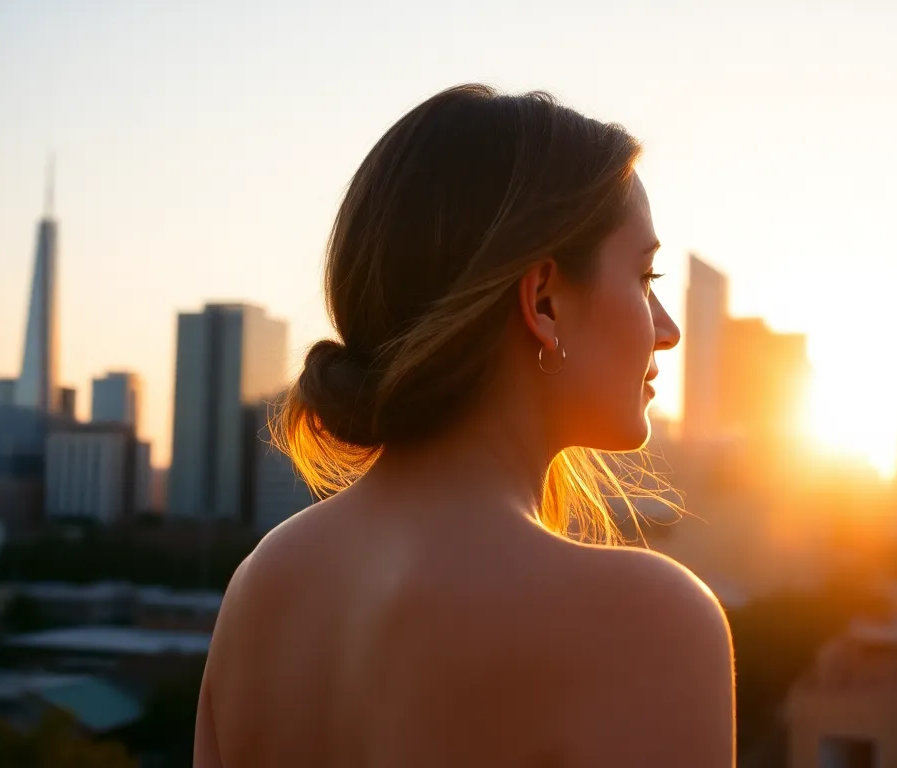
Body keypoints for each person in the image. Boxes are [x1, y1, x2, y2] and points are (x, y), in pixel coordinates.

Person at [194, 84, 735, 767]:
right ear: (543, 301)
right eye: (645, 276)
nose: (669, 330)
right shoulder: (649, 621)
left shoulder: (260, 588)